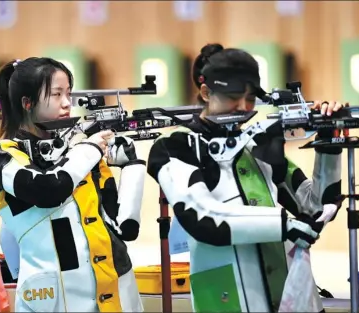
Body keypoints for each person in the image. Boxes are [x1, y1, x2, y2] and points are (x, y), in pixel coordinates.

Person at [147, 43, 345, 313]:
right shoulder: (176, 145)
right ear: (206, 92)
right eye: (232, 95)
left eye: (250, 97)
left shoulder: (254, 143)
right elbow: (202, 218)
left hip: (290, 294)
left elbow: (315, 208)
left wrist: (328, 141)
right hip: (228, 298)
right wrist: (283, 224)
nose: (243, 106)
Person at [0, 57, 145, 312]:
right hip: (54, 298)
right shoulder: (2, 154)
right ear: (27, 103)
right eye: (56, 94)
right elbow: (48, 189)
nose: (67, 103)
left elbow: (125, 228)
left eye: (68, 93)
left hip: (116, 289)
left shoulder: (77, 153)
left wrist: (132, 165)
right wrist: (89, 148)